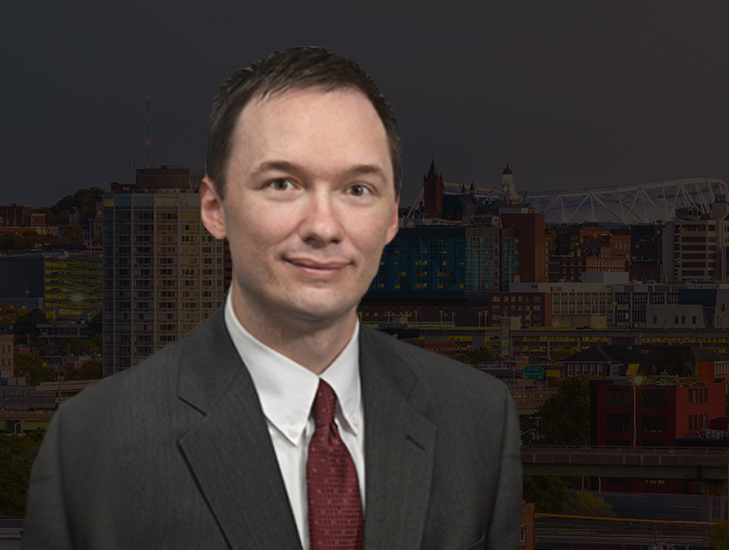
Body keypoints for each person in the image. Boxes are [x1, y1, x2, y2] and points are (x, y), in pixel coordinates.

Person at [25, 47, 521, 549]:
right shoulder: (92, 443)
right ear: (214, 208)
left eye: (357, 189)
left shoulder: (478, 419)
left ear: (393, 217)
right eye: (282, 183)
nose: (323, 227)